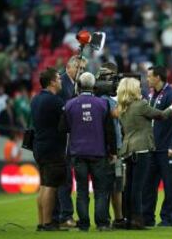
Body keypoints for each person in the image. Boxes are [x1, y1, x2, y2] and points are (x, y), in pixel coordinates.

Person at [116, 78, 172, 230]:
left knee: (129, 187)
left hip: (127, 150)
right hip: (142, 149)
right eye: (138, 87)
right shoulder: (140, 105)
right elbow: (162, 115)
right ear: (133, 89)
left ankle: (127, 219)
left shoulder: (122, 107)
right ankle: (137, 221)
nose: (141, 88)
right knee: (138, 187)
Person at [61, 72, 117, 231]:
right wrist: (113, 151)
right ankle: (102, 223)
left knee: (81, 191)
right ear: (94, 86)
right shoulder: (102, 104)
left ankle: (84, 224)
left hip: (78, 154)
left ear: (79, 85)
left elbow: (62, 128)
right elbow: (110, 131)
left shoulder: (70, 104)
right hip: (98, 153)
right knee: (100, 190)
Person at [142, 66, 172, 227]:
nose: (147, 79)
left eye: (149, 76)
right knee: (148, 185)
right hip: (153, 148)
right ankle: (147, 217)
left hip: (167, 149)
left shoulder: (171, 94)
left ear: (158, 77)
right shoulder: (153, 94)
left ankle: (168, 218)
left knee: (170, 185)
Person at [53, 55, 87, 228]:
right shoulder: (61, 83)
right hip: (62, 139)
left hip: (71, 138)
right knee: (65, 178)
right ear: (69, 67)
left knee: (66, 178)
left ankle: (61, 215)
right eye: (80, 69)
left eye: (83, 70)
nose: (82, 72)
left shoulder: (74, 83)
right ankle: (64, 216)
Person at [30, 67, 66, 231]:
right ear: (52, 81)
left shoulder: (36, 99)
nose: (60, 81)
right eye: (58, 79)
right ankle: (47, 223)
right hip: (52, 147)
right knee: (50, 186)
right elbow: (67, 119)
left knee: (44, 185)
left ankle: (41, 222)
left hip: (39, 146)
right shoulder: (54, 101)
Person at [96, 62, 126, 228]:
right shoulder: (102, 98)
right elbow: (116, 114)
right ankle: (107, 219)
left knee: (116, 184)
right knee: (109, 185)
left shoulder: (110, 97)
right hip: (108, 148)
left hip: (114, 147)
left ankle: (117, 218)